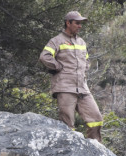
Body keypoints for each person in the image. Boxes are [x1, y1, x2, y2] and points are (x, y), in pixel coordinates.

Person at [39, 11, 103, 142]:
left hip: (82, 88)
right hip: (65, 87)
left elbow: (86, 60)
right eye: (77, 23)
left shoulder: (81, 42)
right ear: (68, 23)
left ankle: (94, 150)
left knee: (96, 119)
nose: (80, 26)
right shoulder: (56, 40)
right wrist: (57, 66)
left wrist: (84, 69)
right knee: (68, 125)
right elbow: (44, 57)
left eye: (81, 24)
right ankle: (69, 153)